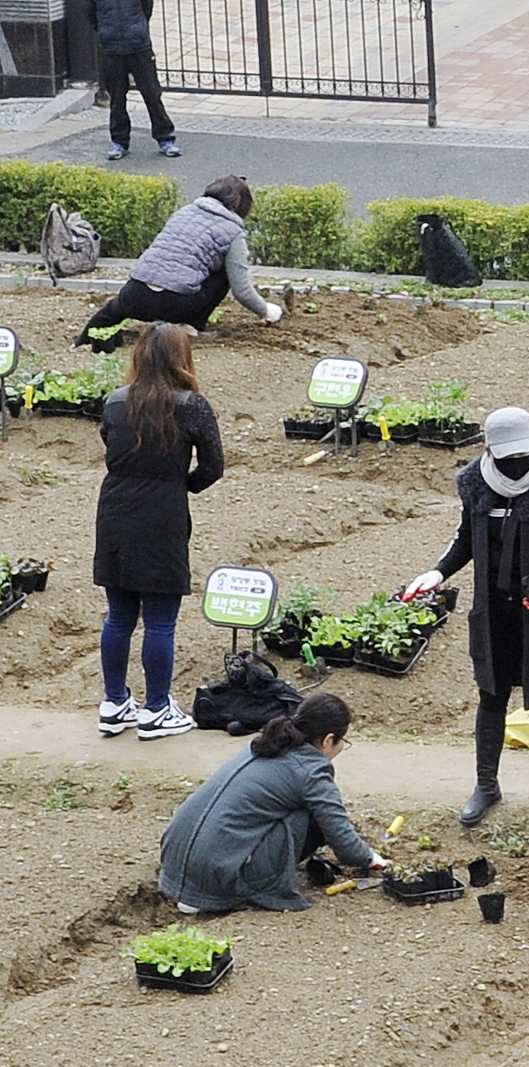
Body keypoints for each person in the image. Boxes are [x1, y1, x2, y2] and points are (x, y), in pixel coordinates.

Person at [403, 406, 529, 826]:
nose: (516, 464)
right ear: (490, 451)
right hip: (493, 613)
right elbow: (465, 539)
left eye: (522, 455)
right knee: (492, 698)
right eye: (507, 457)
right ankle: (487, 785)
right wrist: (437, 572)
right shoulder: (476, 488)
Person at [94, 323, 223, 740]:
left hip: (114, 509)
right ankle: (156, 710)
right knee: (161, 623)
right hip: (163, 515)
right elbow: (212, 467)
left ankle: (114, 704)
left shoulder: (115, 403)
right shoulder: (192, 405)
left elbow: (108, 445)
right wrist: (180, 485)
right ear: (180, 358)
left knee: (119, 616)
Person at [159, 693, 390, 913]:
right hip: (216, 875)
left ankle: (197, 886)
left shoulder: (264, 745)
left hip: (174, 859)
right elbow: (342, 840)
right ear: (329, 740)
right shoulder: (311, 770)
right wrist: (371, 858)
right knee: (311, 814)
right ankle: (218, 893)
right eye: (343, 741)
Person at [75, 176, 282, 350]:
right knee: (225, 273)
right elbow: (241, 290)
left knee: (112, 311)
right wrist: (266, 311)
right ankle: (191, 325)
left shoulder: (183, 213)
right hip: (176, 304)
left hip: (135, 293)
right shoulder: (233, 232)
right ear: (242, 207)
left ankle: (80, 342)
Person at [87, 0, 179, 160]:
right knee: (117, 99)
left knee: (152, 94)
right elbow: (90, 13)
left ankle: (165, 138)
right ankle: (119, 142)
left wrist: (138, 27)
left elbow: (147, 7)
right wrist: (105, 31)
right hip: (111, 47)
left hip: (138, 44)